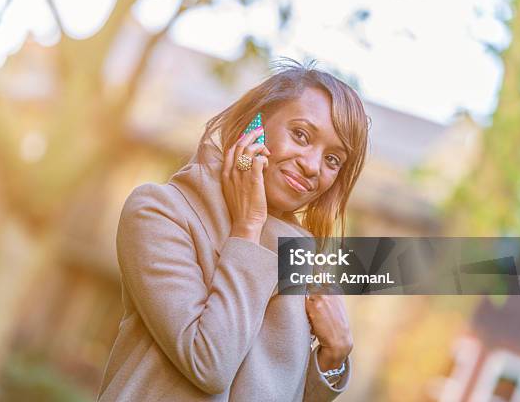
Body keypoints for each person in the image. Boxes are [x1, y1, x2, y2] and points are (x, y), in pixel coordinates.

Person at [97, 59, 369, 401]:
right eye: (301, 135)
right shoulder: (160, 212)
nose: (313, 166)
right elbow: (209, 364)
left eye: (333, 159)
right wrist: (248, 227)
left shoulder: (301, 260)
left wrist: (333, 356)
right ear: (253, 126)